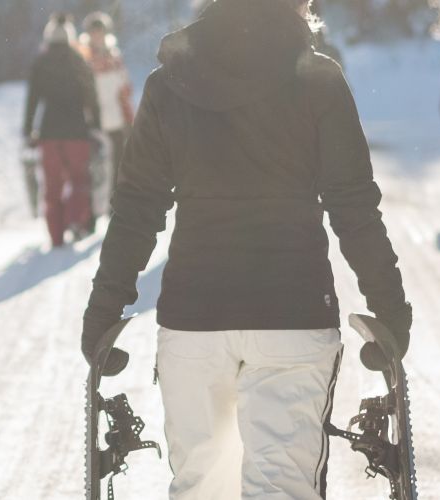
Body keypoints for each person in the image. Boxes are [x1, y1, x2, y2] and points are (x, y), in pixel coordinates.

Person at [81, 0, 412, 498]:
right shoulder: (318, 80)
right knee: (281, 489)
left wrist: (103, 310)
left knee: (201, 488)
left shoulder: (169, 83)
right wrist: (390, 308)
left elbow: (137, 208)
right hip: (292, 313)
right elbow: (354, 207)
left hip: (194, 317)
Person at [24, 12, 100, 247]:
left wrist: (28, 130)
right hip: (77, 132)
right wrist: (95, 124)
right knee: (79, 180)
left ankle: (56, 235)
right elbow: (91, 95)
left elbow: (32, 99)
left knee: (52, 186)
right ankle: (76, 220)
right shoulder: (78, 60)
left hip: (49, 133)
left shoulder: (41, 62)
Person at [80, 12, 136, 231]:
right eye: (94, 32)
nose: (98, 36)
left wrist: (128, 117)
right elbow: (83, 91)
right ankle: (91, 215)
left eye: (100, 32)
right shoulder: (84, 58)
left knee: (118, 168)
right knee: (95, 170)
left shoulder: (114, 56)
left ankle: (115, 211)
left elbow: (126, 88)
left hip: (117, 120)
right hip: (94, 123)